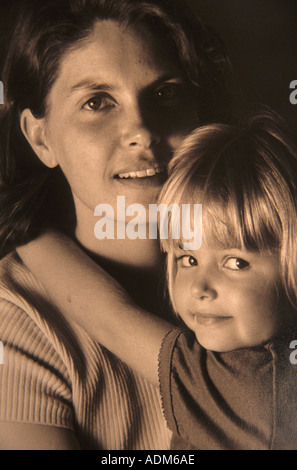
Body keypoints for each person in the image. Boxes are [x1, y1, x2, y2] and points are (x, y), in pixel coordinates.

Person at [0, 0, 233, 450]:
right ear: (40, 138)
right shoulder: (15, 318)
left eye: (165, 93)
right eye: (97, 102)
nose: (142, 130)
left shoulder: (274, 265)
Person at [17, 111, 297, 450]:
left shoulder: (250, 383)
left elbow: (109, 317)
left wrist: (24, 234)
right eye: (188, 259)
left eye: (236, 262)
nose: (199, 287)